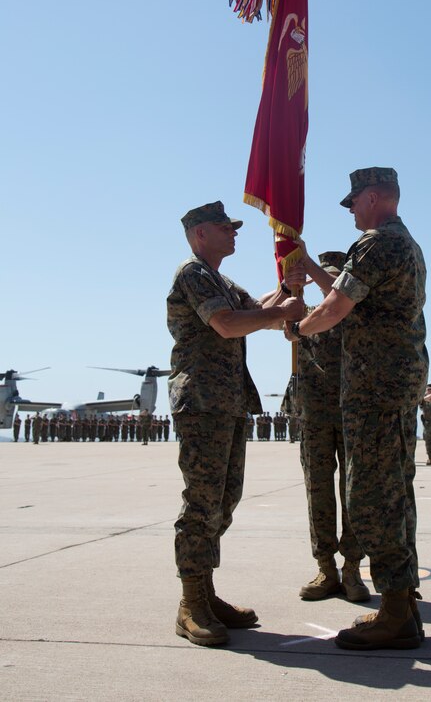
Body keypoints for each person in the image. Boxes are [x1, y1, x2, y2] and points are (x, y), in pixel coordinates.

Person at [287, 167, 428, 651]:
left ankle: (393, 612)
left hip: (375, 387)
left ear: (372, 198)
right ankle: (403, 601)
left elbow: (335, 307)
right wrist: (306, 263)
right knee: (395, 490)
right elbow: (348, 291)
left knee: (374, 495)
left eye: (353, 203)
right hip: (393, 384)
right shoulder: (400, 242)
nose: (350, 211)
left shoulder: (375, 243)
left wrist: (300, 329)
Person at [167, 200, 304, 647]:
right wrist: (280, 312)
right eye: (227, 228)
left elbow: (257, 310)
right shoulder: (193, 274)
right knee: (201, 503)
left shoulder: (221, 280)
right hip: (202, 403)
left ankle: (206, 592)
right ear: (200, 232)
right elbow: (227, 325)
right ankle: (191, 604)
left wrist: (288, 285)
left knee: (224, 499)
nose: (235, 233)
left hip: (226, 404)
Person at [293, 249, 370, 605]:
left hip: (351, 411)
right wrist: (291, 290)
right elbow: (287, 331)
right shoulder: (305, 316)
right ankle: (325, 567)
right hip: (314, 414)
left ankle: (352, 568)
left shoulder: (354, 313)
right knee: (318, 490)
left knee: (353, 491)